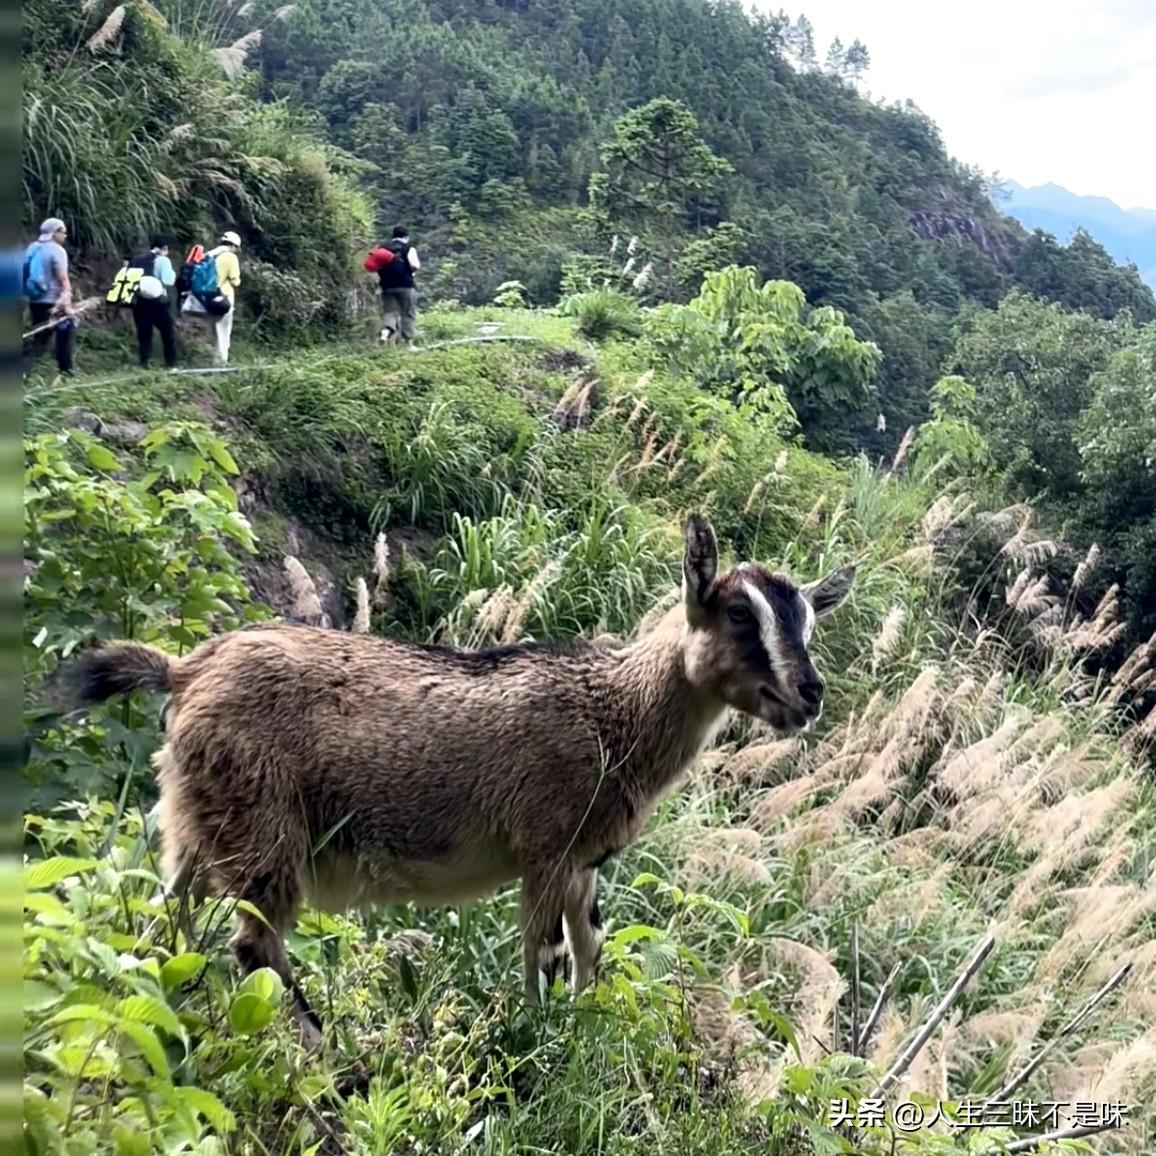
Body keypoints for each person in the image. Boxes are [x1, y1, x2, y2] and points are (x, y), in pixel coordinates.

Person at [22, 217, 74, 375]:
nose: (65, 235)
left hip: (35, 300)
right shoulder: (57, 250)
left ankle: (23, 371)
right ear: (55, 232)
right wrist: (67, 303)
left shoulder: (33, 247)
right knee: (65, 335)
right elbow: (63, 279)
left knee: (39, 339)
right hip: (55, 303)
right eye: (63, 232)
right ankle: (66, 372)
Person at [129, 234, 178, 371]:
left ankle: (144, 363)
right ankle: (171, 364)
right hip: (158, 302)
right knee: (167, 333)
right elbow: (168, 281)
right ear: (165, 248)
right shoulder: (163, 260)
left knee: (144, 334)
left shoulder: (137, 259)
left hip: (139, 302)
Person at [370, 226, 420, 344]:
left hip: (387, 286)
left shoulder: (382, 249)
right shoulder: (409, 248)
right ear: (406, 237)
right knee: (407, 313)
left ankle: (385, 334)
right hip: (406, 286)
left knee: (390, 312)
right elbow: (415, 265)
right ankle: (408, 342)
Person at [207, 230, 242, 364]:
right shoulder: (230, 257)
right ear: (233, 245)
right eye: (236, 248)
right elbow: (235, 281)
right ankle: (221, 361)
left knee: (212, 329)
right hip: (224, 297)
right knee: (223, 330)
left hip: (208, 296)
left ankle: (206, 357)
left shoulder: (211, 254)